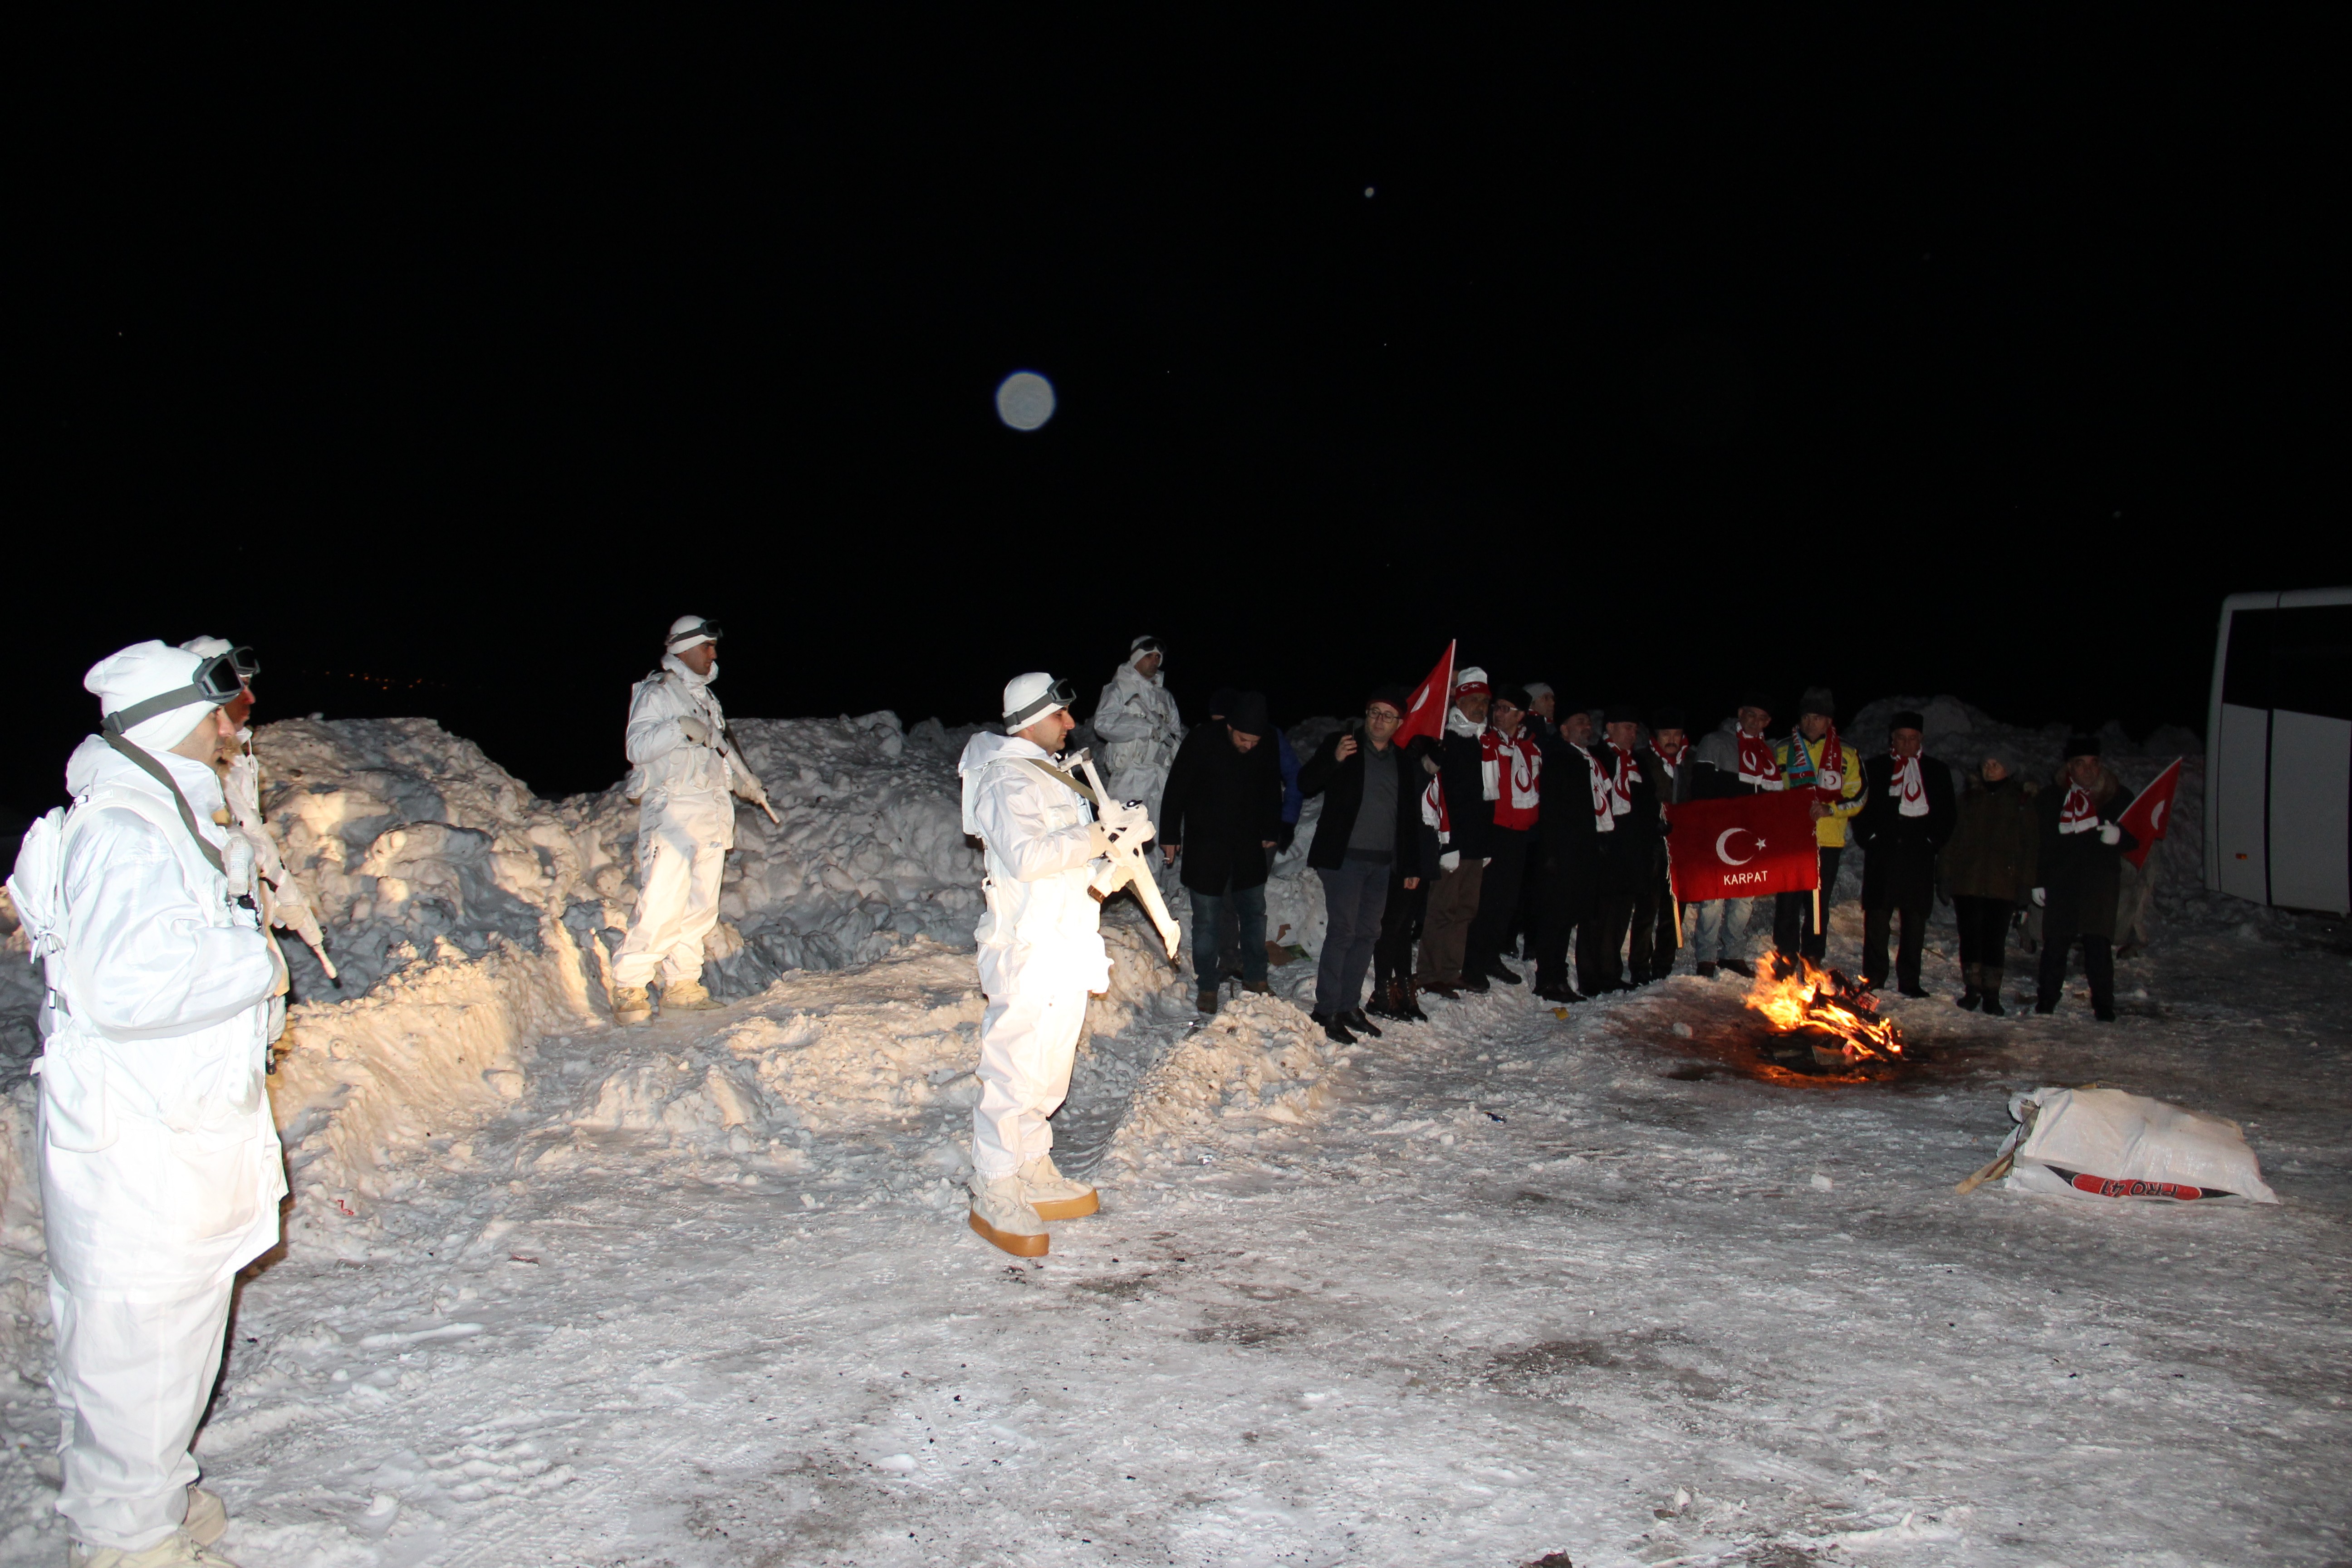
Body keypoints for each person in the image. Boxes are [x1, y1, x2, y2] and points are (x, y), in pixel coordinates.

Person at [14, 642, 289, 1565]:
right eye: (217, 712)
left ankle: (145, 1499)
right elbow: (128, 987)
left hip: (172, 1136)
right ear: (175, 719)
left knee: (164, 1349)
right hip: (142, 1150)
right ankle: (127, 1542)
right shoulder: (124, 834)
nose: (229, 728)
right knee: (141, 1352)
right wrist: (253, 955)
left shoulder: (163, 818)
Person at [956, 673, 1144, 1256]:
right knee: (1013, 1069)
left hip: (1066, 940)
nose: (1070, 723)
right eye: (1060, 715)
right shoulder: (1007, 779)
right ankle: (994, 1181)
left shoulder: (1054, 777)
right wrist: (1094, 837)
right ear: (1032, 719)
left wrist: (1113, 860)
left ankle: (1032, 1165)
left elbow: (1072, 870)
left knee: (1050, 1068)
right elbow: (1028, 856)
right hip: (1028, 946)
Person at [608, 618, 776, 1023]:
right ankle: (629, 985)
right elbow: (637, 746)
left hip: (710, 813)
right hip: (672, 813)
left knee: (701, 907)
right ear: (685, 648)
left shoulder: (706, 699)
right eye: (708, 648)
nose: (713, 655)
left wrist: (743, 784)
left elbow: (717, 755)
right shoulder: (659, 693)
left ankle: (682, 984)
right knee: (663, 902)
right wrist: (679, 728)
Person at [176, 637, 338, 985]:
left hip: (244, 923)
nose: (249, 699)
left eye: (248, 686)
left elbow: (252, 835)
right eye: (237, 688)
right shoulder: (191, 770)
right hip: (215, 943)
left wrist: (282, 894)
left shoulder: (233, 755)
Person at [1298, 687, 1426, 1041]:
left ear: (1399, 723)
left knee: (1369, 933)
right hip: (1345, 859)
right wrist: (1333, 759)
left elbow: (1409, 817)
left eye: (1387, 715)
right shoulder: (1345, 745)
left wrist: (1411, 866)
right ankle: (1327, 1010)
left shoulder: (1402, 761)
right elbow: (1305, 783)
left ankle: (1349, 1005)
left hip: (1382, 863)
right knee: (1343, 931)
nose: (1379, 720)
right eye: (1374, 712)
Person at [1161, 691, 1285, 1013]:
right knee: (1206, 922)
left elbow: (1272, 785)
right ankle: (1207, 986)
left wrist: (1272, 828)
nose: (1250, 746)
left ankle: (1257, 977)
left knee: (1254, 915)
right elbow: (1177, 788)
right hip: (1207, 847)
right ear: (1229, 727)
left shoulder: (1266, 741)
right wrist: (1171, 835)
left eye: (1255, 741)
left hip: (1248, 847)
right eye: (1244, 739)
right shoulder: (1202, 740)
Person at [1852, 712, 1957, 996]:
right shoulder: (1875, 768)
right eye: (1901, 738)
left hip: (1918, 857)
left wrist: (1931, 841)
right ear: (1893, 738)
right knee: (1877, 919)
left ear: (1920, 739)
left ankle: (1910, 980)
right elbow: (1859, 805)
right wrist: (1869, 837)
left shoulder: (1936, 770)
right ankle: (1875, 975)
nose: (1907, 743)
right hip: (1883, 855)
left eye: (1912, 738)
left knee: (1914, 921)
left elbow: (1948, 814)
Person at [2034, 736, 2137, 1021]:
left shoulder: (2118, 796)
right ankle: (2047, 1001)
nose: (2088, 770)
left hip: (2099, 882)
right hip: (2062, 879)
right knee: (2056, 944)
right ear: (2070, 768)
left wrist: (2119, 837)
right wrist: (2039, 881)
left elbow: (2137, 835)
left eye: (2093, 763)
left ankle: (2104, 1006)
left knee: (2099, 945)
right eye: (2081, 764)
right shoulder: (2052, 798)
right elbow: (2042, 843)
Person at [1683, 696, 1782, 977]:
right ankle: (1706, 956)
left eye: (1763, 718)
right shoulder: (1716, 742)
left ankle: (1734, 954)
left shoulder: (1767, 751)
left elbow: (1773, 799)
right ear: (1741, 713)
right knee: (1713, 897)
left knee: (1744, 896)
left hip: (1751, 837)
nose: (1756, 722)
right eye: (1752, 715)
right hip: (1719, 834)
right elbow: (1700, 787)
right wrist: (1709, 825)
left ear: (1768, 722)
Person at [1414, 668, 1496, 998]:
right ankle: (1430, 973)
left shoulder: (1485, 741)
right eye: (1473, 700)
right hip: (1452, 840)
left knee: (1465, 909)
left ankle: (1451, 970)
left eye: (1484, 701)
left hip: (1477, 840)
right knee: (1443, 908)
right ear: (1459, 702)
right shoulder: (1446, 739)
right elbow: (1439, 793)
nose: (1480, 706)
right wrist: (1446, 843)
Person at [1772, 688, 1865, 966]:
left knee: (1818, 903)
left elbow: (1859, 796)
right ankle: (1786, 955)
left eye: (1818, 717)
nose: (1811, 723)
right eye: (1806, 717)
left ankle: (1813, 956)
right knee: (1787, 901)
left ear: (1829, 721)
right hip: (1792, 840)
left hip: (1828, 841)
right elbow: (1770, 793)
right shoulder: (1782, 749)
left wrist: (1831, 810)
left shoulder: (1847, 753)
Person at [1940, 754, 2038, 1013]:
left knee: (1995, 939)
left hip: (2003, 883)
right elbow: (1952, 840)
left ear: (2010, 768)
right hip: (1969, 881)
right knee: (1970, 937)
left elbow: (2030, 848)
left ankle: (1992, 994)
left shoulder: (2021, 803)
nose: (1990, 769)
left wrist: (2025, 886)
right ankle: (1972, 990)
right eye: (1986, 764)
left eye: (1996, 764)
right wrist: (1946, 875)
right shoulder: (1967, 800)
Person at [1463, 686, 1542, 988]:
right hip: (1492, 830)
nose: (1498, 713)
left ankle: (1490, 956)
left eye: (1506, 709)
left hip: (1519, 835)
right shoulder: (1486, 742)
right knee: (1484, 900)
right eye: (1497, 707)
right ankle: (1471, 962)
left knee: (1506, 902)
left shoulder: (1530, 748)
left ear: (1521, 715)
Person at [1580, 705, 1660, 991]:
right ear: (1610, 728)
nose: (1632, 734)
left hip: (1631, 853)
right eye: (1627, 727)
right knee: (1597, 916)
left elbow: (1649, 805)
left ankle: (1611, 972)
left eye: (1635, 729)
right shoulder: (1597, 757)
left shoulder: (1637, 762)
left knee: (1620, 916)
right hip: (1605, 852)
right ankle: (1590, 977)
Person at [1529, 704, 1600, 1002]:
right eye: (1580, 721)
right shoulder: (1560, 759)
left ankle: (1558, 978)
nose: (1587, 726)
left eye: (1588, 722)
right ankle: (1548, 979)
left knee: (1566, 917)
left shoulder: (1587, 760)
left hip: (1579, 851)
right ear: (1564, 730)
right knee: (1555, 918)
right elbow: (1553, 810)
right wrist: (1552, 853)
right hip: (1562, 852)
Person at [1092, 636, 1184, 831]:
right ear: (1136, 658)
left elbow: (1175, 732)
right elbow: (1103, 723)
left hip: (1160, 778)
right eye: (1149, 656)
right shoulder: (1118, 690)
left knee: (1157, 839)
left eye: (1158, 657)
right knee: (1126, 837)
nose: (1155, 661)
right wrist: (1145, 729)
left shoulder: (1165, 697)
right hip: (1130, 779)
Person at [1639, 708, 1695, 982]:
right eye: (1666, 734)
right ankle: (1640, 965)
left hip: (1680, 846)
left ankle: (1664, 963)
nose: (1671, 739)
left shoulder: (1691, 763)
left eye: (1676, 734)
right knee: (1648, 907)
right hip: (1652, 845)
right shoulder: (1644, 761)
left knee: (1674, 910)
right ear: (1656, 736)